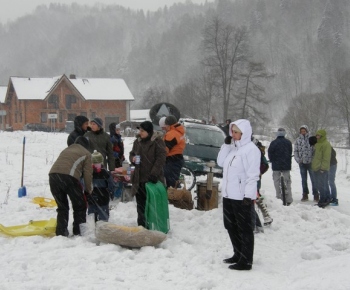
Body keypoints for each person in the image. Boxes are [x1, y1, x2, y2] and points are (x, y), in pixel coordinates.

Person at [217, 119, 260, 271]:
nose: (233, 135)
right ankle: (238, 253)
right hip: (229, 195)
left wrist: (249, 196)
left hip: (242, 197)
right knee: (230, 225)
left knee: (244, 228)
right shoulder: (233, 149)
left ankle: (246, 260)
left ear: (244, 133)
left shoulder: (251, 150)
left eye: (236, 132)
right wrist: (226, 145)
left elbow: (253, 175)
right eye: (232, 132)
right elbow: (220, 162)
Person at [49, 136, 92, 236]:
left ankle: (61, 231)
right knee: (80, 205)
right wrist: (88, 190)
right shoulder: (86, 153)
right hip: (69, 178)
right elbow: (88, 174)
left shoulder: (66, 150)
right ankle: (79, 231)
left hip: (53, 177)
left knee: (62, 207)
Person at [129, 121, 166, 228]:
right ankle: (142, 225)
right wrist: (133, 158)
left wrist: (154, 174)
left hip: (152, 179)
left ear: (149, 132)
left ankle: (154, 225)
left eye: (142, 131)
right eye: (139, 130)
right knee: (140, 205)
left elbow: (161, 158)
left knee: (152, 205)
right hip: (139, 178)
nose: (140, 133)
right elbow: (132, 153)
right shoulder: (138, 141)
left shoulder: (157, 142)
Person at [268, 128, 293, 205]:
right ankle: (289, 198)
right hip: (286, 165)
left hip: (276, 165)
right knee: (287, 181)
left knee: (276, 181)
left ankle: (278, 197)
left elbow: (270, 153)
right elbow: (290, 152)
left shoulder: (273, 143)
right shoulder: (288, 142)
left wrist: (272, 160)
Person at [87, 150, 114, 222]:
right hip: (102, 198)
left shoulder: (89, 173)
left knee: (92, 217)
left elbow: (84, 184)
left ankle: (94, 227)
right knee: (102, 217)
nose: (96, 165)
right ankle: (100, 227)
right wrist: (111, 193)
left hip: (94, 198)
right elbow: (111, 184)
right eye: (95, 163)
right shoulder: (105, 173)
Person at [252, 137, 273, 227]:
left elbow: (265, 164)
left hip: (253, 178)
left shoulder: (256, 151)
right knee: (254, 197)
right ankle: (265, 216)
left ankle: (261, 220)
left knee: (253, 197)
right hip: (248, 178)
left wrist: (258, 172)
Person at [294, 125, 318, 202]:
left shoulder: (311, 139)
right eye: (301, 131)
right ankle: (305, 194)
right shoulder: (298, 140)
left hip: (311, 163)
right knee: (304, 179)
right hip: (302, 163)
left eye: (304, 131)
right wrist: (298, 160)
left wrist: (313, 160)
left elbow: (315, 150)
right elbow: (296, 151)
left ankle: (316, 194)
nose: (303, 132)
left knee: (313, 179)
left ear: (307, 131)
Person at [162, 115, 186, 188]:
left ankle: (172, 197)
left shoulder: (172, 134)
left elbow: (165, 149)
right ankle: (174, 195)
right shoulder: (178, 131)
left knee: (170, 182)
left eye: (166, 124)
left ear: (169, 125)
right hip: (177, 159)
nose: (165, 127)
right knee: (174, 180)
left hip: (172, 160)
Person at [311, 129, 332, 208]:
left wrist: (323, 168)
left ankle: (323, 200)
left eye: (319, 135)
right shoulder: (317, 144)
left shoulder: (326, 144)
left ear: (322, 136)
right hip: (316, 167)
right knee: (320, 184)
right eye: (316, 135)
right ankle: (327, 198)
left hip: (322, 168)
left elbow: (326, 157)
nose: (317, 136)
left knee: (322, 185)